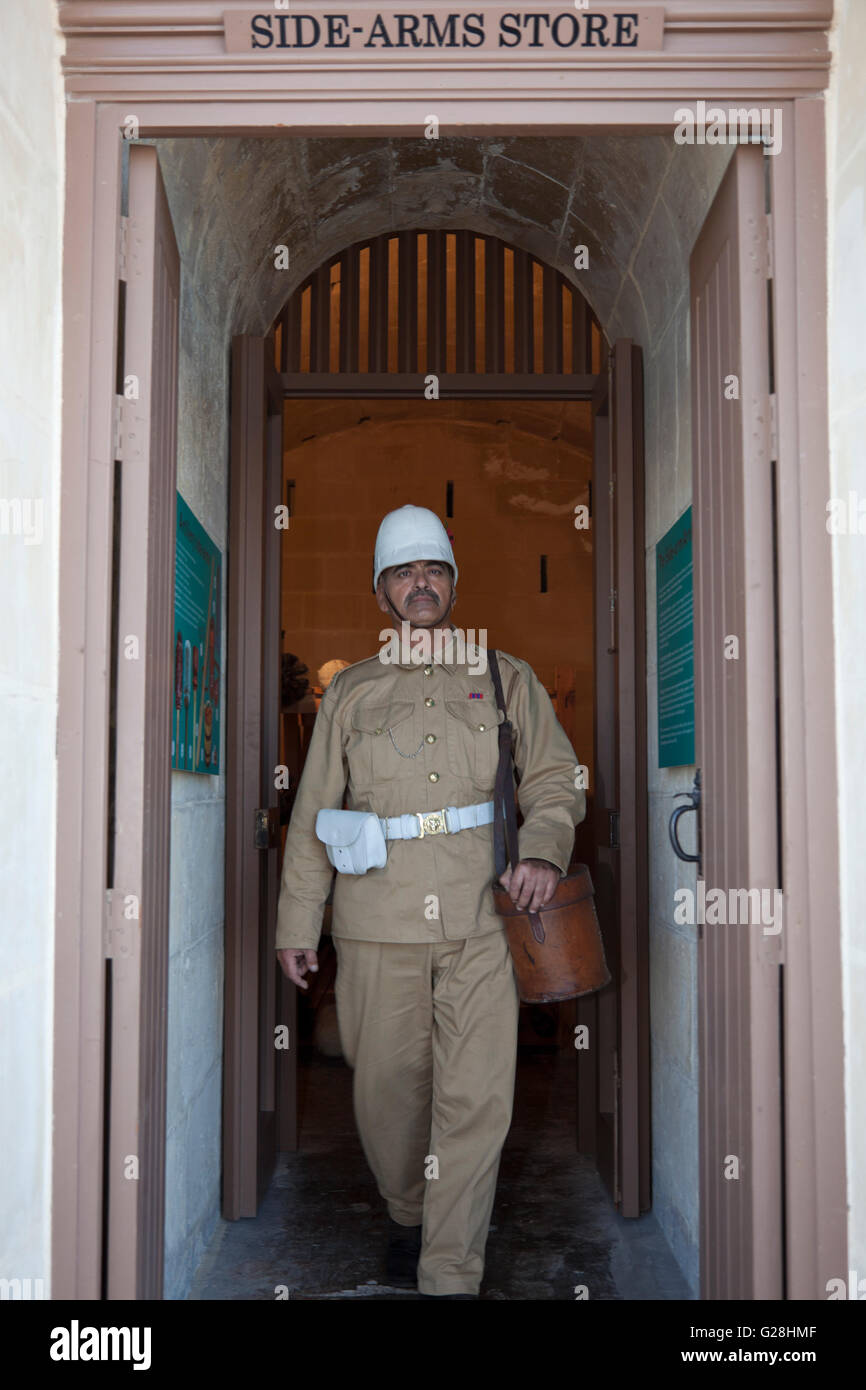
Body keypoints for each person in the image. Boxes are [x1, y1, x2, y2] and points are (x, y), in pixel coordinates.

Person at [275, 504, 586, 1298]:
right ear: (382, 593)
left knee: (477, 1098)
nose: (422, 582)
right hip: (377, 922)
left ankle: (449, 1271)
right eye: (405, 571)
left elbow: (555, 781)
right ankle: (405, 1210)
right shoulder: (351, 694)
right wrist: (296, 925)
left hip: (484, 921)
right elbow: (313, 816)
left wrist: (545, 852)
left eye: (435, 569)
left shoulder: (503, 677)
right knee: (386, 1098)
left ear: (452, 585)